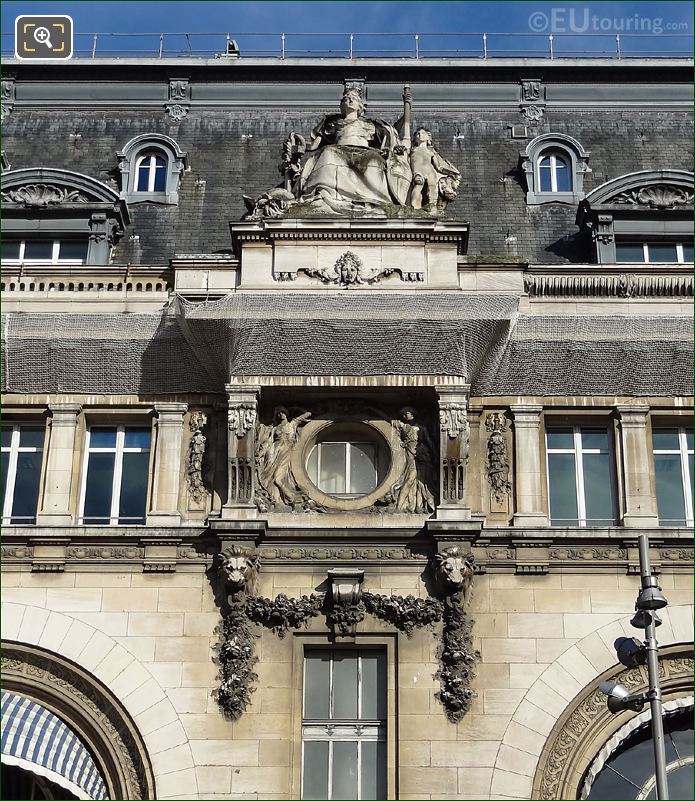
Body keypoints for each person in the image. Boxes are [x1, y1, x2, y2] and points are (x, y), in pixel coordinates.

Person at [297, 88, 408, 214]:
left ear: (360, 106)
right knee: (327, 152)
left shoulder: (370, 124)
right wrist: (300, 147)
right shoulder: (333, 123)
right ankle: (324, 193)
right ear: (342, 104)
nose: (350, 100)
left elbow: (392, 131)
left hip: (363, 151)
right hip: (340, 150)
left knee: (375, 159)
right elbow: (313, 146)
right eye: (346, 98)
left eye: (353, 98)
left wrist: (406, 114)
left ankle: (374, 197)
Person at [257, 407, 311, 508]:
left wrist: (296, 408)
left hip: (285, 452)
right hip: (273, 452)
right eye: (278, 413)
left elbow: (308, 413)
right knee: (268, 477)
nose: (281, 414)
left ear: (286, 413)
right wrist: (260, 454)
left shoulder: (292, 424)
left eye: (283, 412)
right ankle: (275, 499)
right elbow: (268, 443)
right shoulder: (275, 429)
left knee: (278, 478)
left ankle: (291, 497)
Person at [392, 407, 435, 513]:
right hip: (411, 456)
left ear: (412, 414)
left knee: (421, 481)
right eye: (403, 414)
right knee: (410, 479)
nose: (404, 416)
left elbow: (429, 441)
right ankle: (399, 506)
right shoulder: (404, 426)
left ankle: (418, 506)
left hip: (422, 454)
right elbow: (388, 420)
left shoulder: (421, 428)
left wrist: (434, 454)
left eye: (406, 413)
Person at [409, 128, 461, 212]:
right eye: (418, 134)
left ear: (428, 137)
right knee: (418, 184)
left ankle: (431, 206)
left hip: (430, 172)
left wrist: (451, 172)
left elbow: (438, 167)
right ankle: (413, 206)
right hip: (418, 171)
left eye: (422, 133)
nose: (420, 135)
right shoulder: (412, 149)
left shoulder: (431, 152)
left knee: (432, 187)